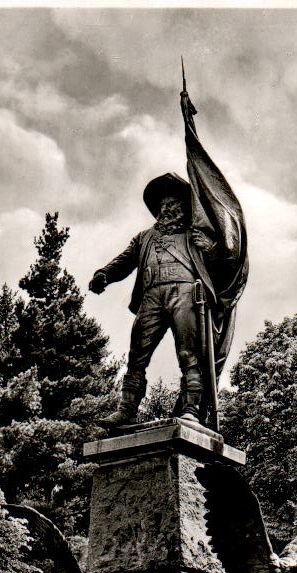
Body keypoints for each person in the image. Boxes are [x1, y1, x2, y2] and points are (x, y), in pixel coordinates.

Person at [88, 172, 217, 429]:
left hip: (186, 295)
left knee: (189, 355)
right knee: (137, 355)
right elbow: (123, 261)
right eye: (163, 204)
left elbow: (223, 265)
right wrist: (104, 274)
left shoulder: (196, 235)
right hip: (151, 296)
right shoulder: (144, 238)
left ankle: (191, 408)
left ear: (184, 206)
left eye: (174, 203)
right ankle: (126, 409)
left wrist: (210, 249)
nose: (168, 208)